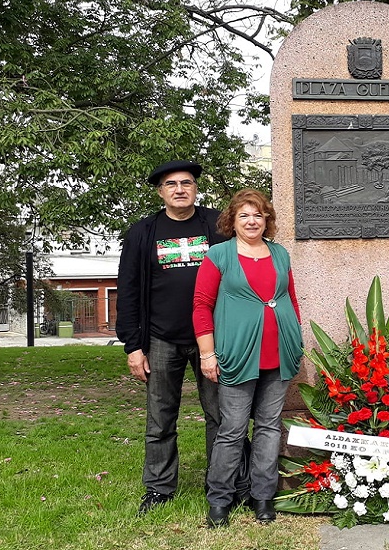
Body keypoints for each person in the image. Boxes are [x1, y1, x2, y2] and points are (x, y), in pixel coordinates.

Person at [116, 160, 228, 515]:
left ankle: (223, 484)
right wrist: (133, 345)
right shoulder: (143, 232)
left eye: (187, 183)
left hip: (212, 338)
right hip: (161, 338)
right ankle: (159, 488)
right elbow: (128, 289)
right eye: (171, 184)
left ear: (196, 188)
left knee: (221, 415)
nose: (180, 189)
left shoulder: (217, 225)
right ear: (161, 192)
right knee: (161, 417)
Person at [193, 189, 304, 528]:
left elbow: (291, 300)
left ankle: (263, 497)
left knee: (270, 428)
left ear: (266, 220)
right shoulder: (219, 256)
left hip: (278, 354)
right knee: (232, 429)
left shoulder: (280, 254)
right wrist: (207, 354)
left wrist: (295, 340)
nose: (252, 221)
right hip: (237, 355)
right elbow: (201, 307)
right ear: (233, 220)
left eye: (258, 215)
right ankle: (220, 499)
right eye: (244, 215)